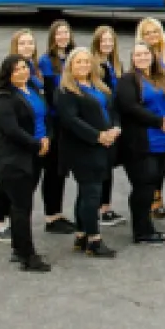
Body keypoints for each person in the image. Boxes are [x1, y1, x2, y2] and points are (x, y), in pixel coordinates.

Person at [55, 48, 120, 258]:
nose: (83, 65)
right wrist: (98, 136)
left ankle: (81, 234)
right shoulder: (65, 91)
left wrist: (115, 128)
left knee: (86, 193)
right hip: (82, 149)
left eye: (86, 61)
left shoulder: (99, 86)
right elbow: (71, 121)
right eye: (78, 62)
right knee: (92, 194)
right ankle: (94, 240)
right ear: (70, 66)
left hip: (103, 146)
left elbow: (112, 109)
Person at [0, 54, 52, 271]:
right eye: (17, 69)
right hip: (13, 158)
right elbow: (12, 130)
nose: (23, 72)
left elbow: (44, 117)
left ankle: (19, 249)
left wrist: (46, 139)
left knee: (24, 203)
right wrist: (37, 144)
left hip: (35, 154)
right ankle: (28, 257)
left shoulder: (33, 89)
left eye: (24, 67)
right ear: (8, 73)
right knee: (21, 207)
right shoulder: (4, 97)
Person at [115, 41, 165, 246]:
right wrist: (159, 121)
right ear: (132, 58)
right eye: (137, 55)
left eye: (145, 54)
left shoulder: (164, 76)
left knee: (153, 184)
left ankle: (146, 226)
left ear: (153, 56)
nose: (142, 58)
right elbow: (130, 107)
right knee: (143, 185)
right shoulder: (128, 79)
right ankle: (140, 230)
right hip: (139, 142)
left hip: (163, 140)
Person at [38, 20, 75, 236]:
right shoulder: (46, 61)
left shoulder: (71, 57)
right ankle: (51, 217)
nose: (63, 37)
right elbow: (52, 97)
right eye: (59, 33)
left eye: (66, 33)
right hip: (55, 123)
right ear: (53, 37)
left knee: (61, 170)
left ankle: (58, 214)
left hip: (68, 121)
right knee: (52, 170)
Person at [89, 25, 125, 228]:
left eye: (110, 40)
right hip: (102, 121)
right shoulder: (94, 65)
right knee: (100, 168)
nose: (108, 44)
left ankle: (105, 207)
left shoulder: (115, 63)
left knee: (108, 166)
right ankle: (97, 209)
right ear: (97, 42)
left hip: (115, 120)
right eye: (104, 41)